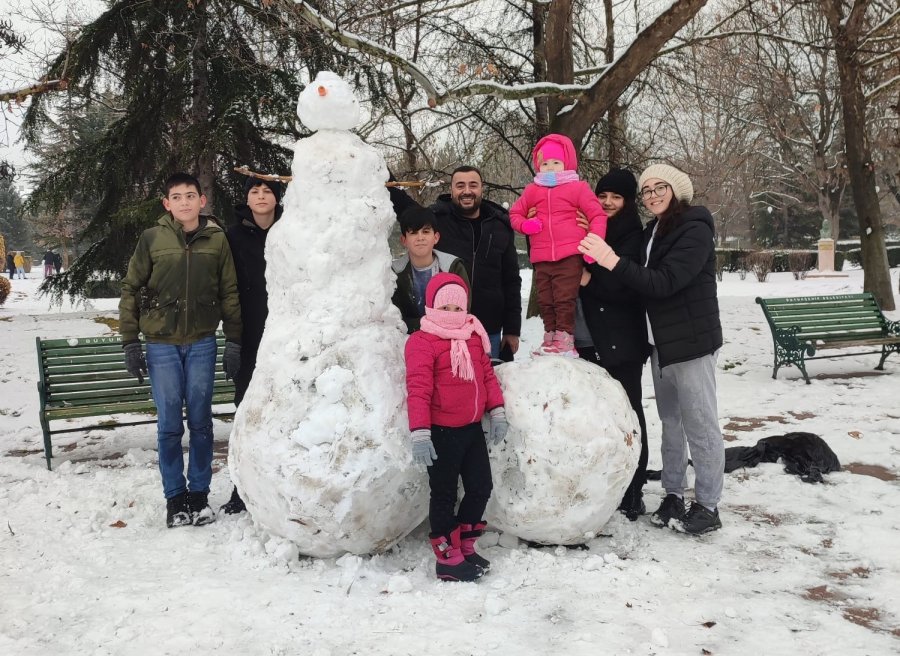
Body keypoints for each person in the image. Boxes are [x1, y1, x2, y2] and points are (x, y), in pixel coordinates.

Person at [579, 163, 725, 535]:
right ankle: (673, 494)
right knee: (671, 424)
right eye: (647, 190)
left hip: (690, 343)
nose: (653, 194)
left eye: (660, 187)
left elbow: (664, 282)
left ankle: (708, 504)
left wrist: (609, 261)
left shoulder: (694, 227)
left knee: (700, 424)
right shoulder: (653, 230)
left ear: (677, 190)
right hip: (660, 344)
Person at [119, 172, 242, 529]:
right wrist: (130, 341)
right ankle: (176, 499)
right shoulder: (152, 239)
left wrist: (233, 340)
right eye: (177, 196)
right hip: (161, 345)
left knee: (202, 423)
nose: (185, 202)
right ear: (167, 204)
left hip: (202, 341)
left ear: (202, 201)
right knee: (170, 425)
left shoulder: (217, 240)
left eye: (191, 195)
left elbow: (229, 291)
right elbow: (130, 289)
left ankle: (199, 496)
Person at [405, 273, 508, 581]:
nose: (452, 315)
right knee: (445, 494)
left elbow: (487, 377)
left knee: (481, 487)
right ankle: (447, 560)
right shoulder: (421, 343)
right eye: (445, 308)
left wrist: (498, 411)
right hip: (441, 432)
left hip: (472, 430)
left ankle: (464, 545)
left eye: (457, 308)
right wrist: (420, 432)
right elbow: (418, 388)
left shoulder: (474, 336)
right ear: (432, 306)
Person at [576, 169, 650, 520]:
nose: (607, 202)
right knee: (601, 417)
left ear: (628, 202)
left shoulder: (632, 236)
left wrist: (590, 279)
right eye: (603, 195)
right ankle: (608, 484)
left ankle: (634, 490)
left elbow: (626, 287)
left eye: (616, 197)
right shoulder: (589, 226)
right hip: (590, 337)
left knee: (629, 414)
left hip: (621, 341)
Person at [509, 134, 607, 357]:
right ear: (538, 166)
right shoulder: (533, 190)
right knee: (545, 299)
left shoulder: (578, 188)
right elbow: (514, 214)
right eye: (545, 163)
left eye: (556, 162)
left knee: (564, 298)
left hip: (569, 255)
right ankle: (550, 336)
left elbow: (597, 216)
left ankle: (565, 340)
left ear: (567, 163)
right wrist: (527, 225)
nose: (550, 168)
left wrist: (593, 248)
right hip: (542, 257)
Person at [220, 175, 284, 514]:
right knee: (248, 412)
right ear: (246, 199)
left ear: (277, 198)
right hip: (248, 338)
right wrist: (232, 339)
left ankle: (278, 481)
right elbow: (227, 290)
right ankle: (241, 485)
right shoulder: (231, 236)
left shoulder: (292, 230)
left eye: (268, 190)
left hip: (287, 337)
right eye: (254, 191)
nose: (261, 196)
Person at [426, 167, 522, 361]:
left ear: (481, 189)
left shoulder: (500, 225)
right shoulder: (436, 221)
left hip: (490, 329)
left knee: (489, 385)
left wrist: (512, 329)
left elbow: (511, 280)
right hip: (446, 328)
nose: (467, 191)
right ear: (451, 190)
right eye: (460, 185)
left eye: (473, 185)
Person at [392, 205, 470, 333]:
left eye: (426, 231)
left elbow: (463, 311)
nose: (420, 238)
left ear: (436, 237)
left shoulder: (453, 267)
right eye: (413, 233)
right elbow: (396, 319)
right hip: (408, 340)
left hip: (449, 338)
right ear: (404, 240)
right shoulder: (395, 273)